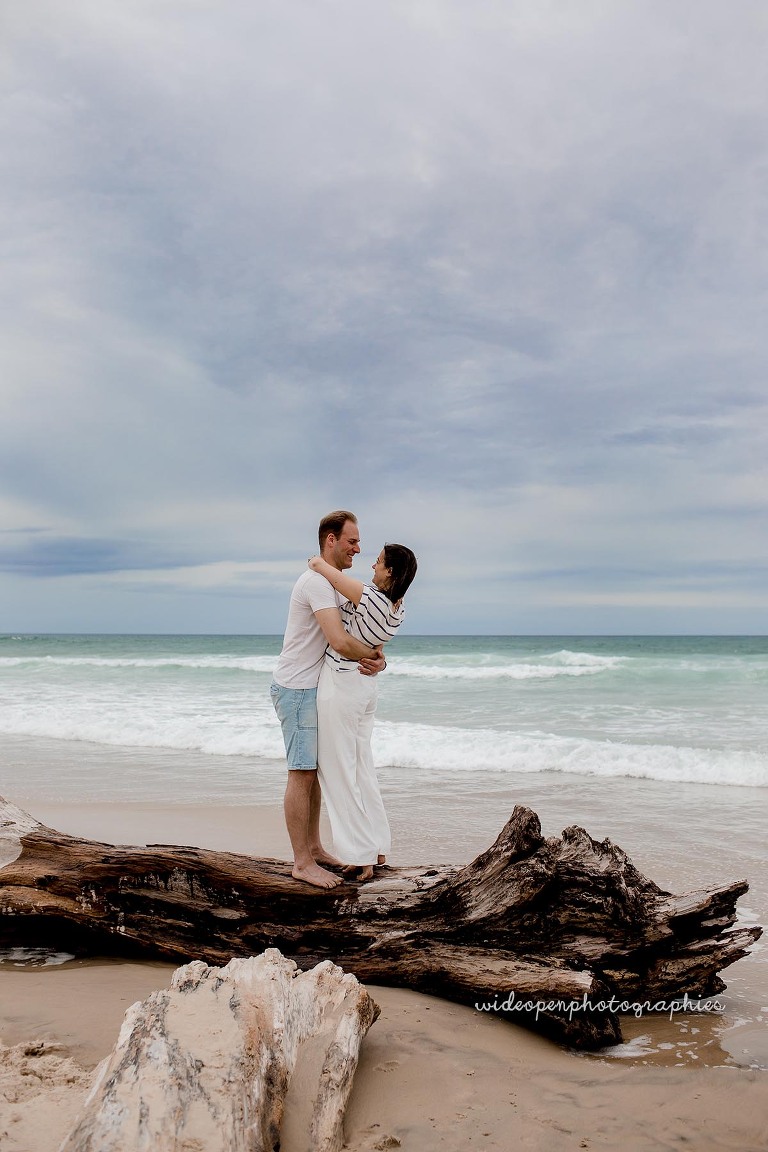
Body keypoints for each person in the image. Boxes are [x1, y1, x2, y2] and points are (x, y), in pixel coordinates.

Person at [270, 511, 386, 889]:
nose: (358, 547)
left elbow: (364, 628)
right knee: (301, 773)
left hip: (314, 688)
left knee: (314, 772)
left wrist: (377, 656)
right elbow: (338, 640)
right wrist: (370, 656)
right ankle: (302, 862)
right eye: (352, 540)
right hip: (298, 688)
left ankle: (316, 848)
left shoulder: (335, 583)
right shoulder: (316, 583)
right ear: (330, 540)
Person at [308, 542, 418, 881]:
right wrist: (379, 660)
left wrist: (317, 559)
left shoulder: (370, 598)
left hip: (342, 683)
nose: (372, 564)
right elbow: (377, 648)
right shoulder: (398, 608)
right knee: (361, 770)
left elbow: (321, 568)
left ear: (390, 572)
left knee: (339, 771)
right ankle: (377, 846)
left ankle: (360, 855)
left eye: (380, 561)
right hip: (365, 689)